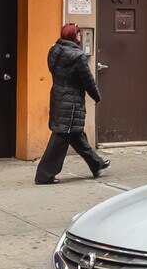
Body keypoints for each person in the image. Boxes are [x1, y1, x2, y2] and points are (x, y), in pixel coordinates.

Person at [36, 24, 109, 184]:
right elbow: (87, 80)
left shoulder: (55, 50)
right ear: (73, 36)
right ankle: (44, 175)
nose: (80, 37)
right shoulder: (77, 55)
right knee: (61, 135)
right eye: (78, 34)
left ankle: (96, 163)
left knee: (75, 134)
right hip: (71, 100)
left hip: (58, 95)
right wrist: (97, 96)